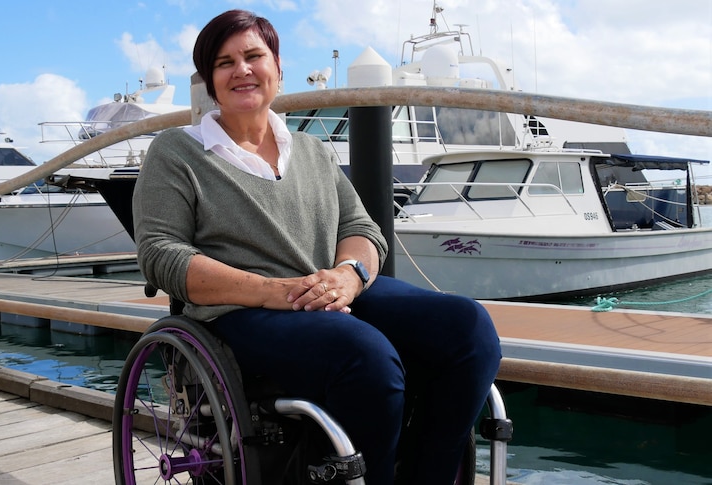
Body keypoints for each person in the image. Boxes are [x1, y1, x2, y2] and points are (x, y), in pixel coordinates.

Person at [133, 9, 501, 484]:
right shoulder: (177, 152)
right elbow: (162, 254)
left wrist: (348, 276)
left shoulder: (312, 150)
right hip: (237, 311)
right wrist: (274, 291)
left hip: (328, 291)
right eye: (224, 63)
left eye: (253, 56)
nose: (241, 70)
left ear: (278, 68)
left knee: (467, 327)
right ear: (209, 80)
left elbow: (363, 229)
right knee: (363, 354)